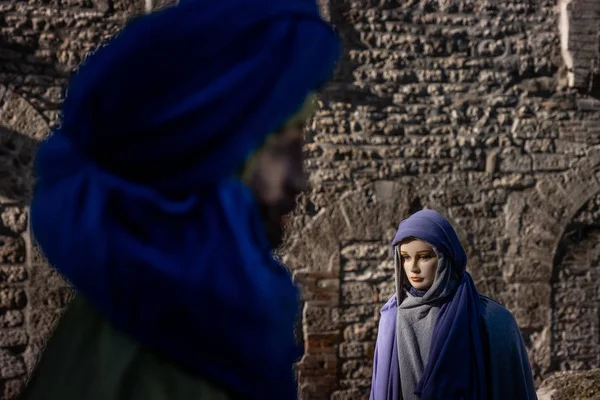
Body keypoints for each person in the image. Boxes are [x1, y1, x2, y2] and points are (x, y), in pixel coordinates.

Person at [21, 0, 340, 399]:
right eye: (281, 144)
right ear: (208, 157)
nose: (300, 179)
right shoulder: (167, 371)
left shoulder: (140, 327)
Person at [369, 209, 537, 400]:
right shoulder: (391, 318)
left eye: (424, 256)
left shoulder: (492, 319)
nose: (413, 267)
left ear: (445, 257)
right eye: (406, 257)